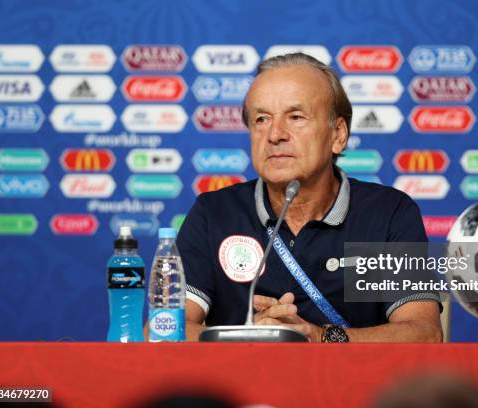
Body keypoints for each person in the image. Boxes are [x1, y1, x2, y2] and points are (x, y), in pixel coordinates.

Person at [177, 52, 442, 342]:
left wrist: (318, 337)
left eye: (296, 117)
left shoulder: (387, 213)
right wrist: (251, 339)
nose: (275, 134)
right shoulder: (214, 213)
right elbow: (164, 330)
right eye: (262, 119)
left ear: (338, 135)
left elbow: (424, 334)